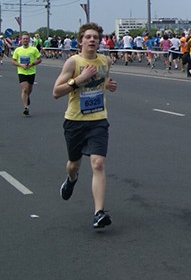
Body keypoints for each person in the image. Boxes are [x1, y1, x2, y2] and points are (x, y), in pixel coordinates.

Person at [53, 22, 118, 229]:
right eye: (88, 37)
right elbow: (56, 92)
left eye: (96, 38)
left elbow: (103, 80)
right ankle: (71, 179)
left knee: (98, 164)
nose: (92, 40)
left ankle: (98, 212)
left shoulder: (105, 61)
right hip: (74, 121)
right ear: (80, 41)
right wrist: (79, 79)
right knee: (74, 164)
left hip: (98, 120)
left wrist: (108, 85)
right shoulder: (73, 63)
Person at [11, 32, 42, 116]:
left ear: (29, 40)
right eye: (24, 38)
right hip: (22, 71)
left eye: (26, 39)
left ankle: (27, 97)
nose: (25, 40)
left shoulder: (33, 49)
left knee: (29, 89)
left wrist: (32, 64)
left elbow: (39, 59)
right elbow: (13, 61)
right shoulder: (18, 50)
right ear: (21, 40)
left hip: (31, 71)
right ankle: (26, 108)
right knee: (25, 89)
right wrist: (20, 65)